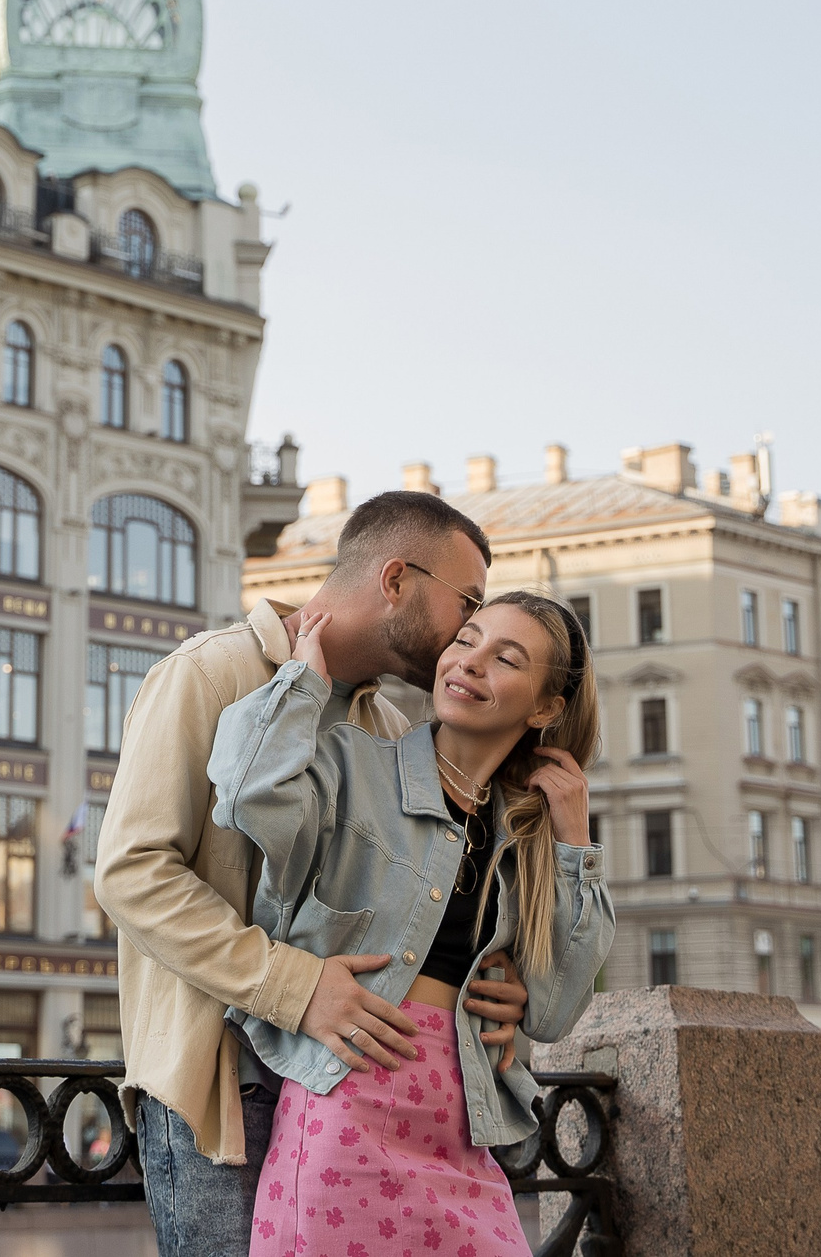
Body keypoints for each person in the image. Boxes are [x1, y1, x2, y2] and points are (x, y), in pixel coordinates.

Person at [94, 490, 533, 1257]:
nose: (470, 631)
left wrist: (482, 984)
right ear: (395, 577)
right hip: (221, 1093)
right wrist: (296, 988)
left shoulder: (391, 728)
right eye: (467, 603)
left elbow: (408, 915)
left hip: (350, 1095)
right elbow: (132, 872)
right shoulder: (210, 672)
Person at [209, 592, 612, 1257]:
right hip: (346, 1102)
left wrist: (574, 843)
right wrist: (306, 679)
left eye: (505, 657)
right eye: (467, 640)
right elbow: (245, 790)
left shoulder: (526, 835)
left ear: (545, 707)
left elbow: (555, 1010)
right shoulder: (352, 762)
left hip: (460, 1121)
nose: (470, 663)